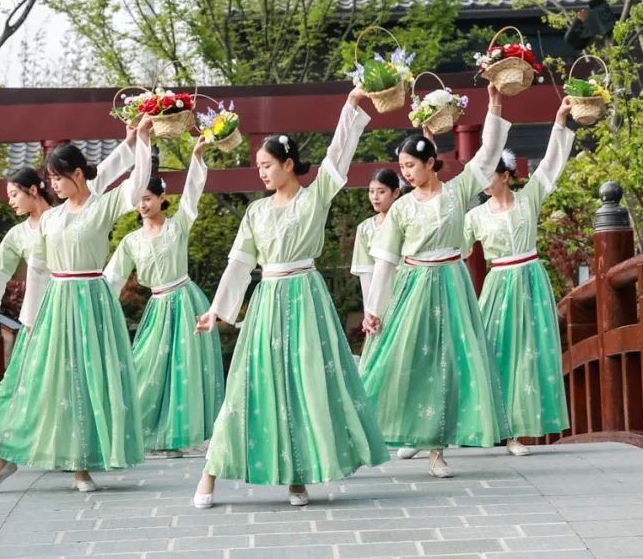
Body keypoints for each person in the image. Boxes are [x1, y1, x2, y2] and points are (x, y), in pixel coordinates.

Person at [190, 88, 388, 509]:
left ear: (289, 164)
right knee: (248, 383)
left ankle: (297, 477)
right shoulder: (256, 213)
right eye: (258, 166)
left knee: (307, 382)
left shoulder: (314, 197)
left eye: (267, 165)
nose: (261, 173)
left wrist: (350, 105)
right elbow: (239, 265)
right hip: (268, 300)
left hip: (306, 295)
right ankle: (209, 474)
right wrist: (217, 311)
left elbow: (338, 157)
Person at [0, 117, 154, 495]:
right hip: (57, 303)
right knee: (43, 381)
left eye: (57, 177)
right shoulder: (50, 218)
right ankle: (4, 456)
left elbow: (135, 184)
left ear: (76, 174)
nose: (52, 185)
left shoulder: (101, 207)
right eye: (49, 179)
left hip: (93, 300)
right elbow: (32, 269)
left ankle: (81, 467)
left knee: (86, 383)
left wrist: (141, 142)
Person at [359, 82, 510, 478]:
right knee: (408, 359)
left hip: (451, 284)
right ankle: (400, 432)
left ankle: (437, 450)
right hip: (413, 286)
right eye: (403, 167)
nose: (405, 174)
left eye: (410, 166)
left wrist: (494, 103)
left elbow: (488, 153)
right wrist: (374, 310)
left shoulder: (458, 192)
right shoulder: (402, 208)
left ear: (430, 164)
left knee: (449, 363)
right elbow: (385, 261)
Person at [464, 97, 574, 454]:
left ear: (506, 175)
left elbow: (552, 164)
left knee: (529, 353)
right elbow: (452, 249)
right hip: (498, 285)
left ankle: (520, 431)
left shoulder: (529, 199)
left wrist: (560, 120)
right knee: (495, 353)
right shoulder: (475, 217)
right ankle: (498, 429)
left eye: (489, 174)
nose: (484, 181)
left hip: (529, 279)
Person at [103, 136, 224, 457]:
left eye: (148, 198)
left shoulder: (178, 226)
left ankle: (179, 436)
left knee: (184, 367)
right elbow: (112, 278)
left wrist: (197, 157)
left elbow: (193, 195)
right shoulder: (131, 241)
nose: (142, 205)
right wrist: (98, 308)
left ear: (161, 197)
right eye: (139, 199)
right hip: (157, 306)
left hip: (185, 300)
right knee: (146, 364)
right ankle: (145, 432)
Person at [351, 169, 403, 318]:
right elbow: (366, 273)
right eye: (371, 191)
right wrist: (370, 310)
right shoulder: (365, 229)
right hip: (379, 294)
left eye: (381, 192)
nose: (375, 197)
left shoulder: (405, 222)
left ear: (395, 193)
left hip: (406, 288)